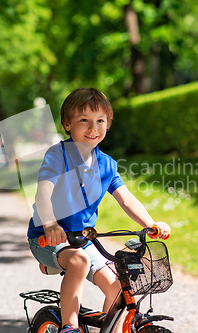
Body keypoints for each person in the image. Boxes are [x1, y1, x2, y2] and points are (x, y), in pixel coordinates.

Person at [27, 87, 171, 333]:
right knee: (79, 261)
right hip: (48, 238)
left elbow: (126, 199)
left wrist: (151, 223)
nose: (93, 127)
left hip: (83, 240)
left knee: (118, 286)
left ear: (108, 124)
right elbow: (43, 192)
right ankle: (69, 327)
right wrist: (50, 224)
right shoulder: (58, 156)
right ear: (67, 125)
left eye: (100, 121)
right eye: (84, 120)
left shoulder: (107, 165)